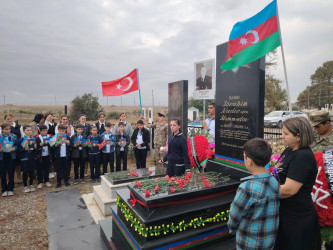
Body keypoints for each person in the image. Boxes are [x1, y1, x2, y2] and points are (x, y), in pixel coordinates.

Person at [274, 117, 321, 250]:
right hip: (284, 213)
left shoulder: (303, 156)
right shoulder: (289, 150)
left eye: (286, 133)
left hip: (297, 218)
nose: (282, 137)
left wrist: (262, 190)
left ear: (299, 136)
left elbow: (289, 190)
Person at [228, 138, 280, 249]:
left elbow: (234, 217)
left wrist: (232, 229)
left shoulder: (247, 187)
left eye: (244, 157)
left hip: (248, 243)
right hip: (268, 241)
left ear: (249, 160)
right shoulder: (274, 182)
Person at [1, 114, 24, 184]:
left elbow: (22, 136)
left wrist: (17, 147)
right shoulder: (2, 127)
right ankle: (8, 179)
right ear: (5, 120)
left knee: (18, 164)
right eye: (8, 119)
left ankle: (19, 178)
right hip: (5, 150)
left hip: (16, 147)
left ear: (13, 118)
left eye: (11, 118)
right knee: (7, 165)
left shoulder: (19, 127)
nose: (10, 120)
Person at [0, 123, 18, 197]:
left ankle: (10, 188)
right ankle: (4, 189)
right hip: (2, 157)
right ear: (2, 129)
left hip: (11, 156)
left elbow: (17, 145)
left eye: (9, 129)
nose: (8, 131)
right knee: (3, 173)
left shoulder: (13, 136)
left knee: (11, 172)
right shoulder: (0, 137)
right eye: (6, 129)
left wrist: (14, 148)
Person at [18, 125, 37, 193]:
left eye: (30, 130)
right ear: (24, 131)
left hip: (32, 157)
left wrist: (35, 146)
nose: (29, 132)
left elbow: (36, 149)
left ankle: (31, 184)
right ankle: (25, 186)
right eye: (27, 130)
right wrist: (24, 149)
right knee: (25, 172)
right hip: (25, 158)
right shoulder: (21, 139)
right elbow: (18, 149)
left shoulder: (33, 138)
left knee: (31, 171)